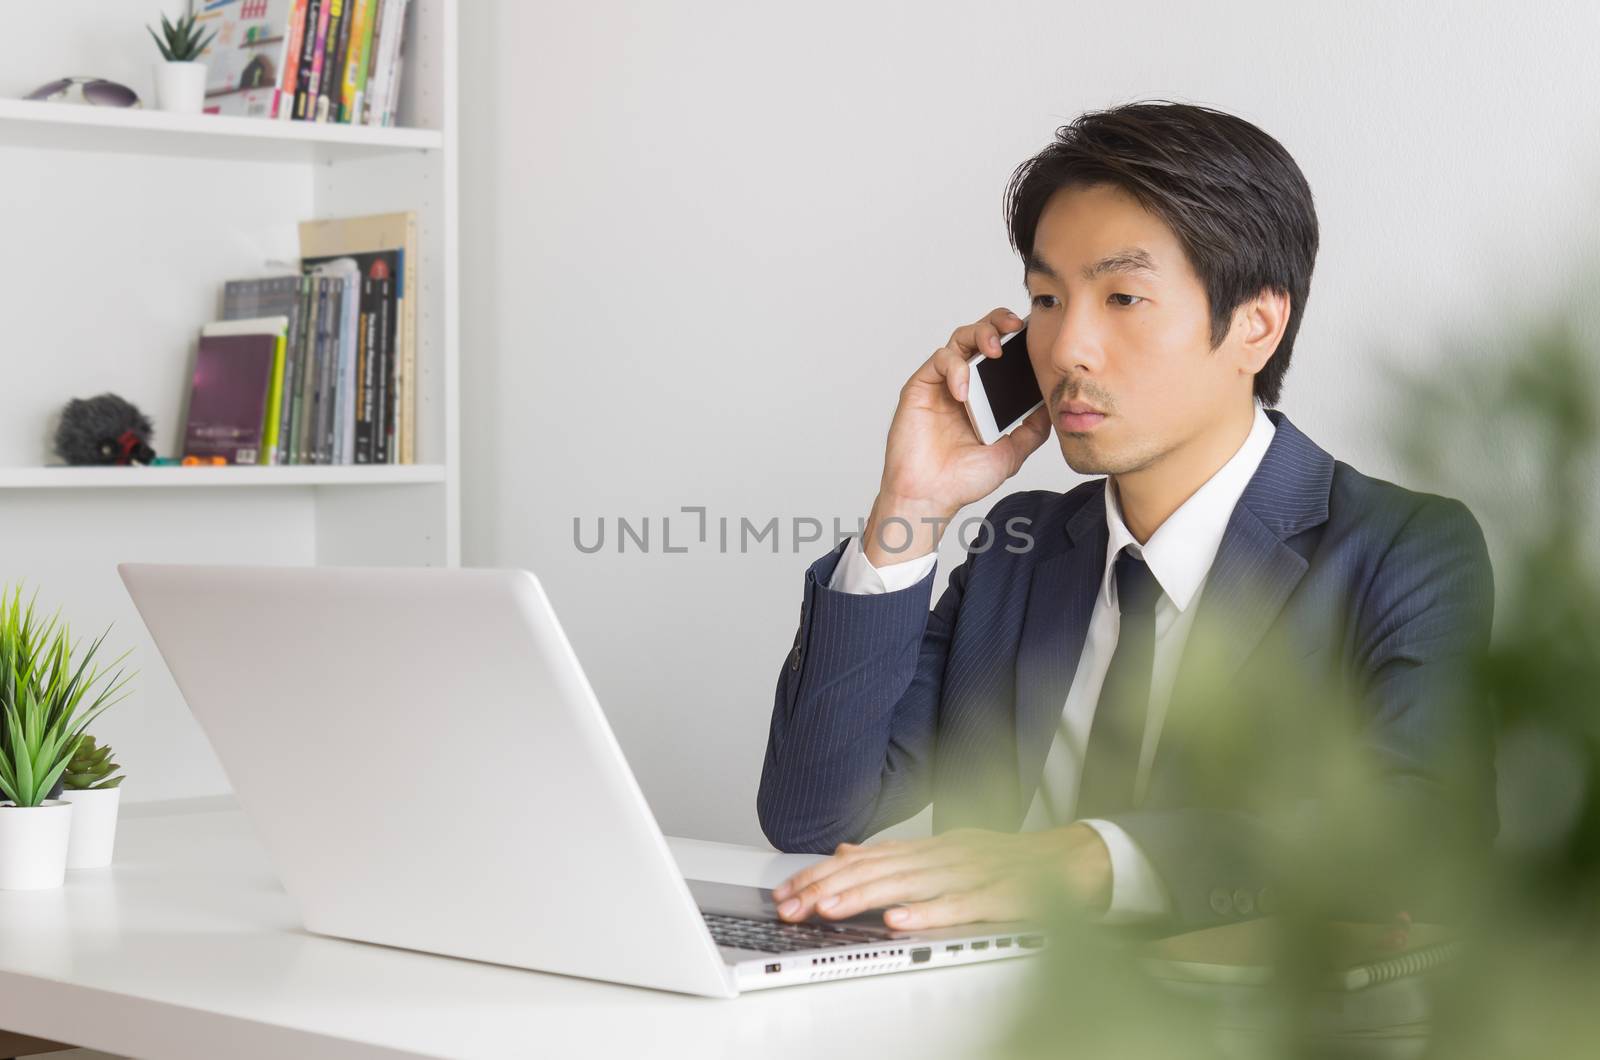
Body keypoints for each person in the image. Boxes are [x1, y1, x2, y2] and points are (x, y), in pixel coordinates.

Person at [755, 101, 1496, 933]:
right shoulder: (1019, 547)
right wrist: (911, 509)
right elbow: (811, 817)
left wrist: (1087, 857)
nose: (1068, 347)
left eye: (1123, 298)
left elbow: (1419, 847)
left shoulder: (1402, 549)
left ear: (1256, 324)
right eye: (1045, 297)